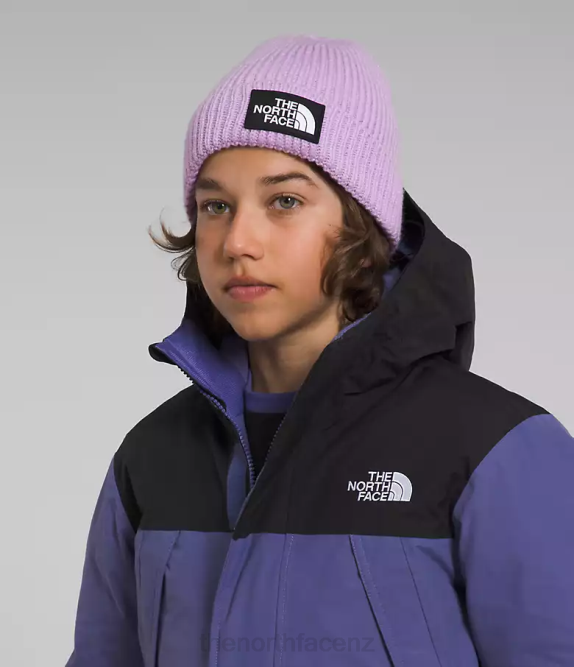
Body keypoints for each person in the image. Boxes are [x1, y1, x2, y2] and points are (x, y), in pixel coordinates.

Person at [65, 34, 574, 667]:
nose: (237, 241)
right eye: (215, 205)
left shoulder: (500, 451)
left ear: (363, 224)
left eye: (285, 201)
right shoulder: (151, 457)